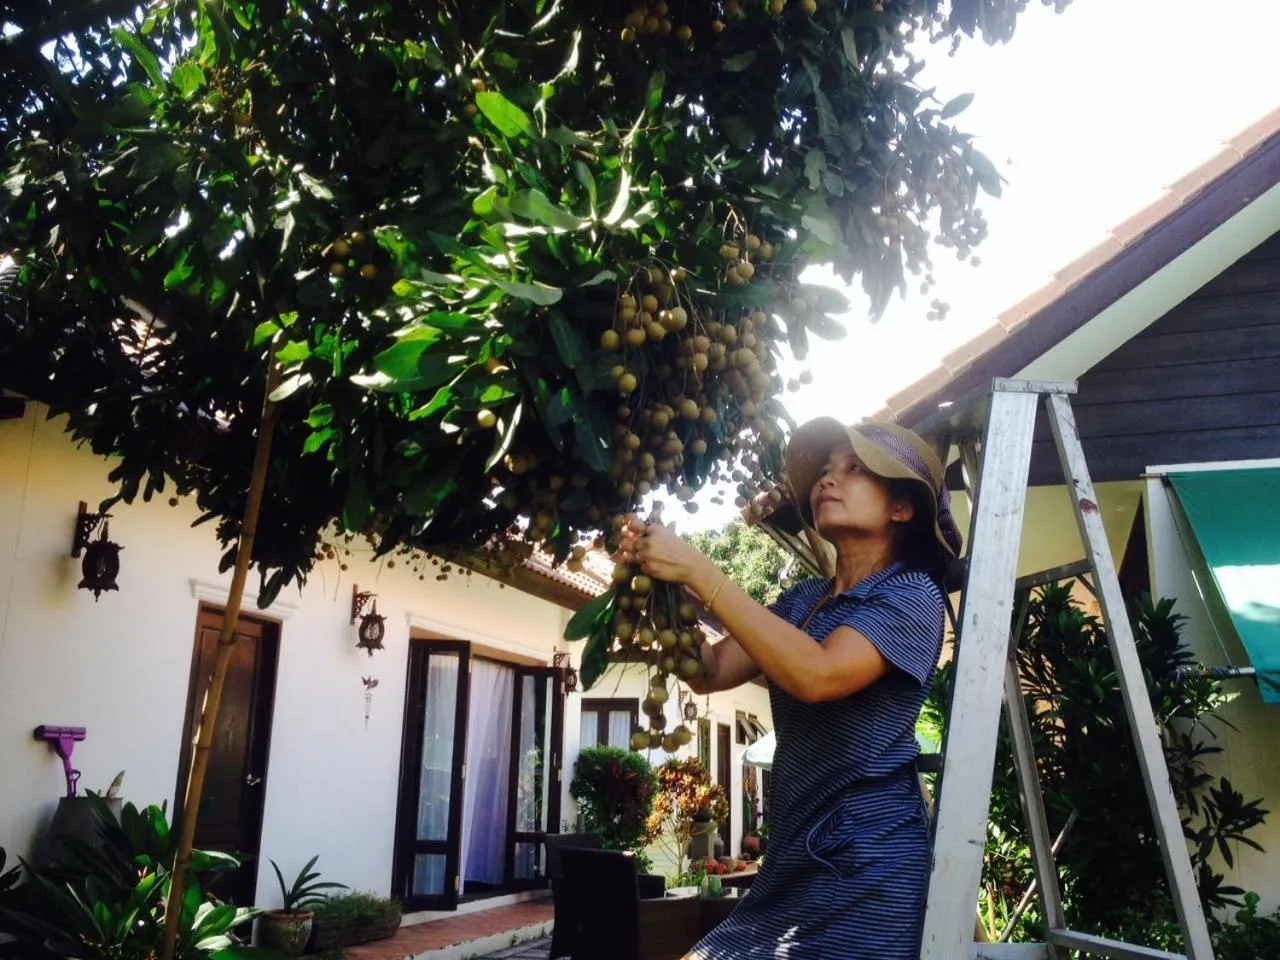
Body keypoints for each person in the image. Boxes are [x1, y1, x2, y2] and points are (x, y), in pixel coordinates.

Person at [617, 417, 963, 960]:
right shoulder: (803, 602)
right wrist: (654, 589)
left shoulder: (912, 595)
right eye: (825, 469)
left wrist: (702, 572)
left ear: (901, 508)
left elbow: (817, 676)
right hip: (794, 861)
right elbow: (708, 670)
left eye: (854, 470)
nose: (829, 478)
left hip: (867, 869)